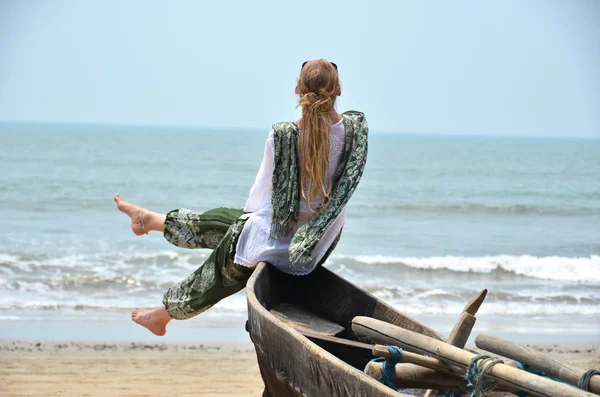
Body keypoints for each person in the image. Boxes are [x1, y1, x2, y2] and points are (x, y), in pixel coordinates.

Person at [113, 59, 368, 336]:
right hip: (320, 240)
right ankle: (151, 221)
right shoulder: (356, 131)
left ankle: (162, 315)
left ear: (297, 90)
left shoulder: (283, 136)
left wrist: (241, 232)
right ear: (338, 90)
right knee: (225, 217)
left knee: (223, 260)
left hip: (288, 245)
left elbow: (259, 198)